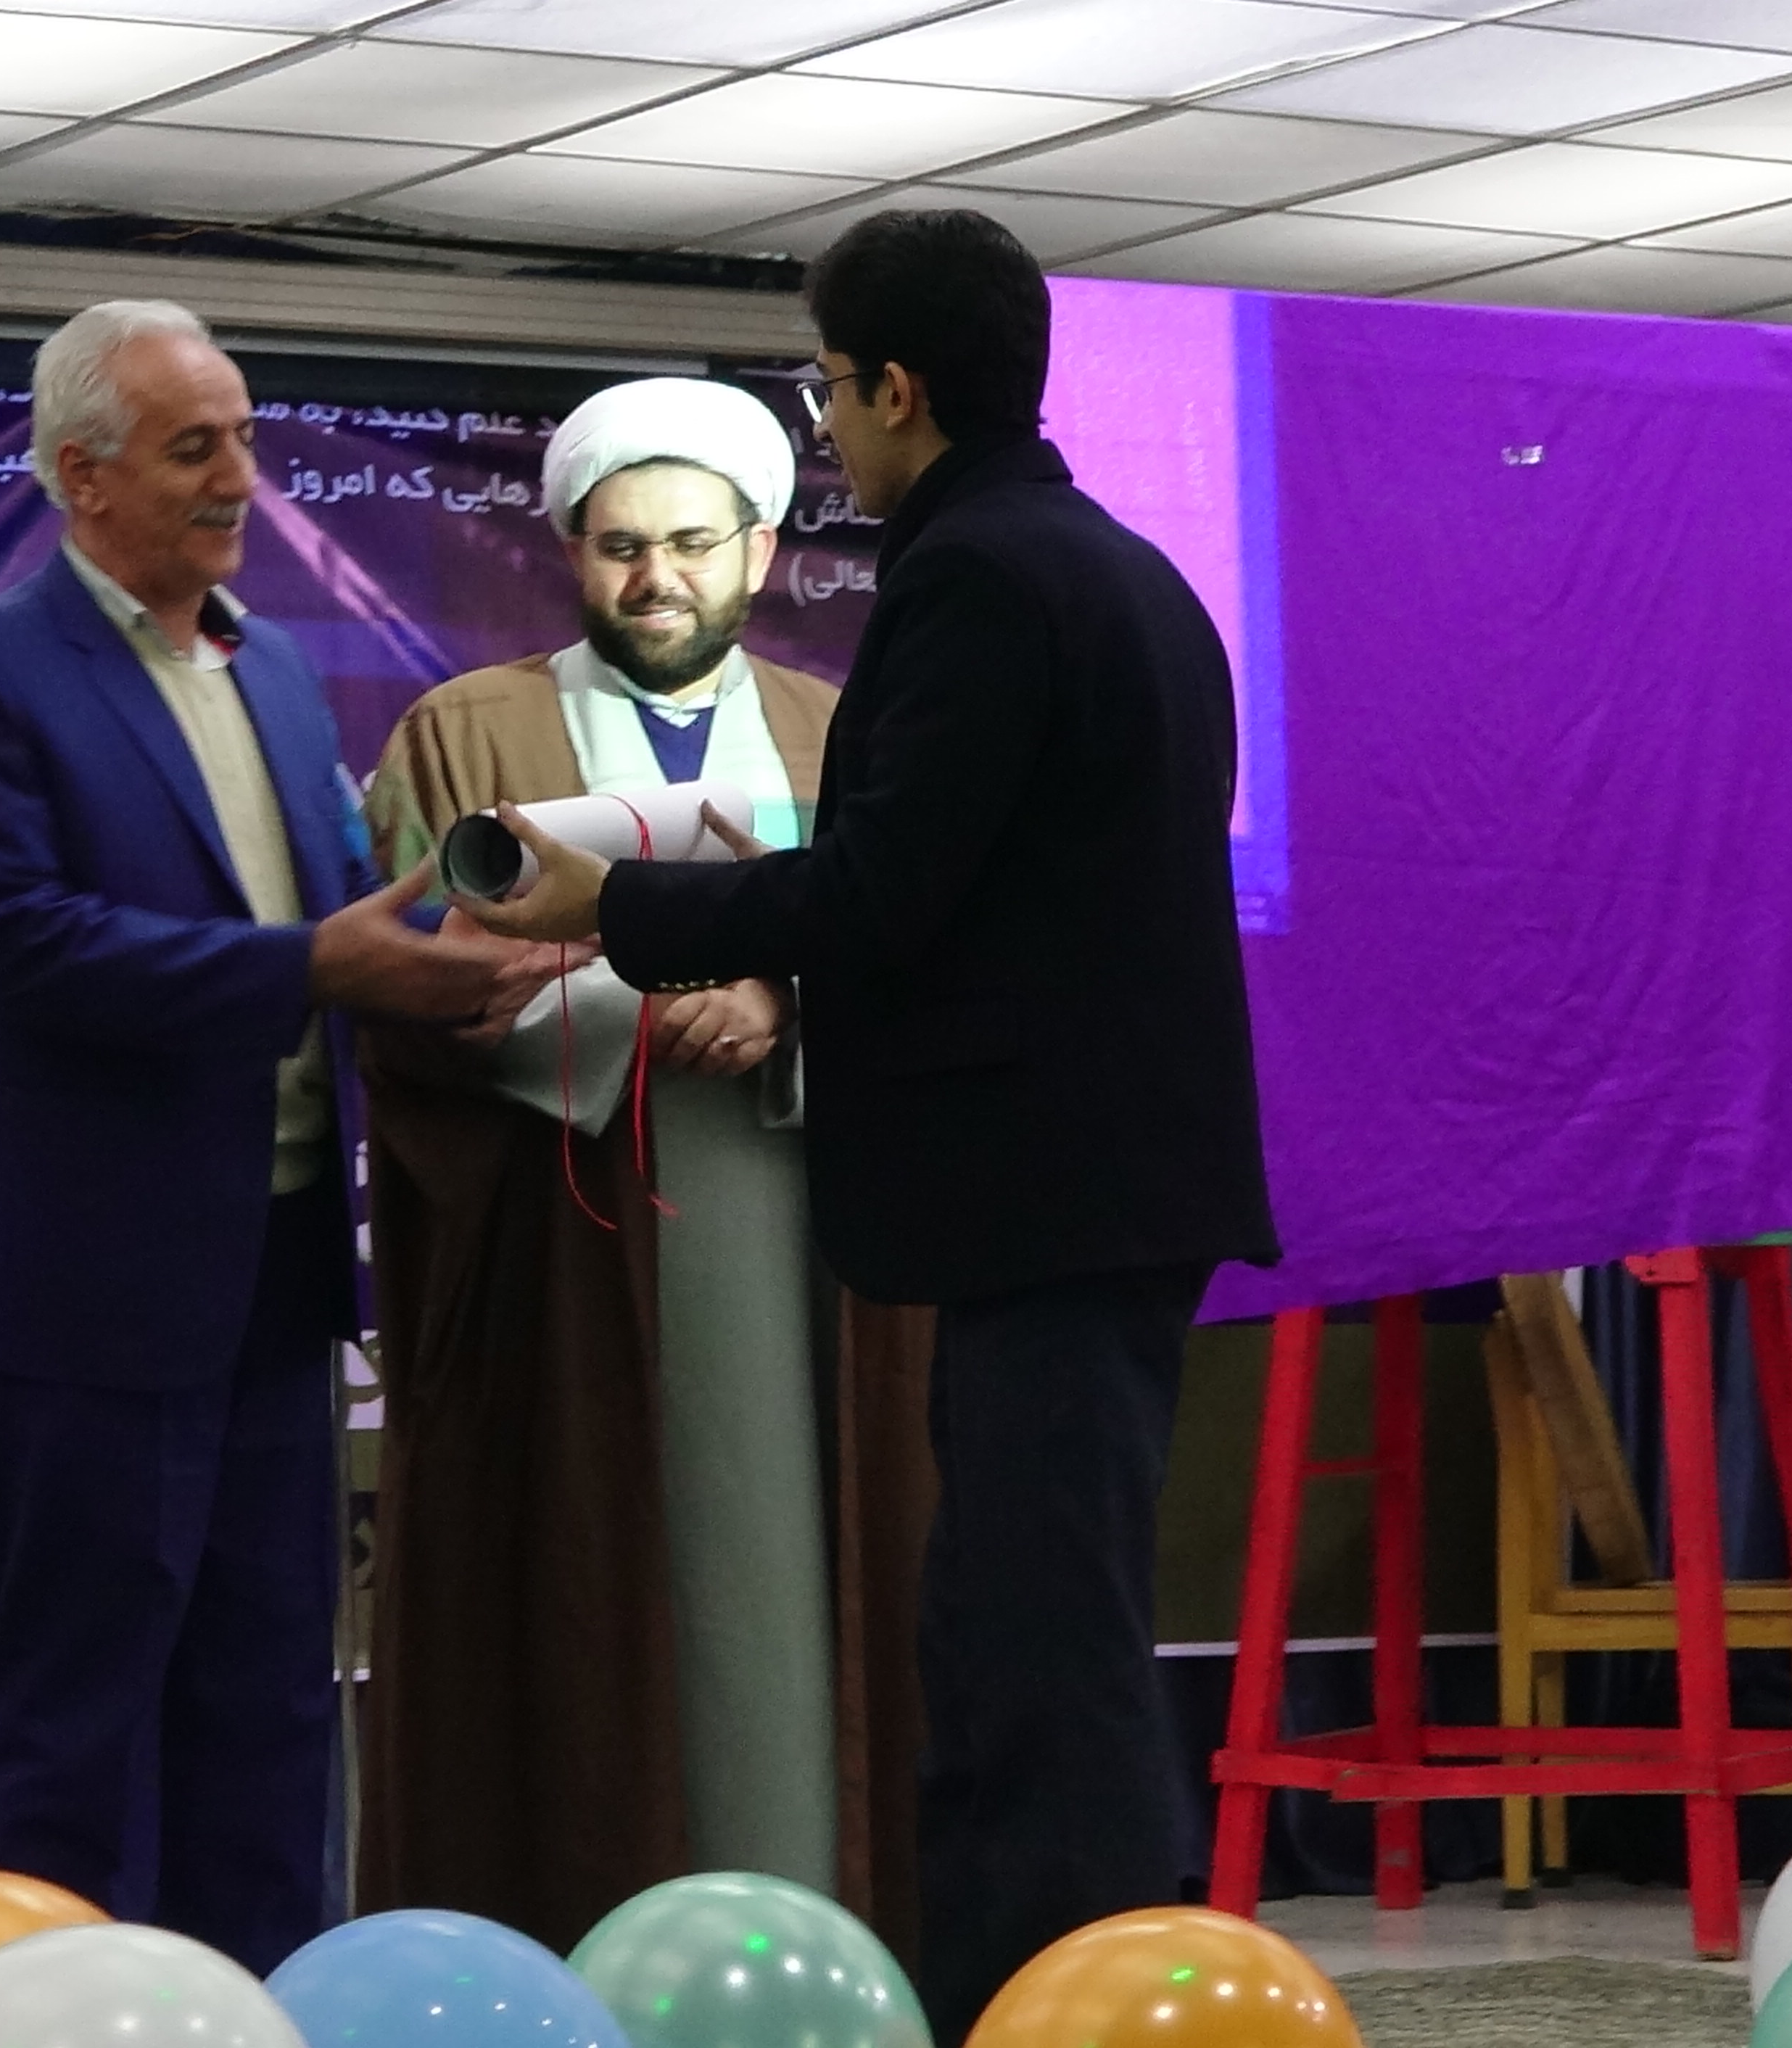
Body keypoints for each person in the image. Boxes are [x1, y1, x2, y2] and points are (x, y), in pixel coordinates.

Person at [460, 212, 1280, 2035]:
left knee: (1035, 1656)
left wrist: (614, 900)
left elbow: (889, 888)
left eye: (828, 385)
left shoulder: (976, 573)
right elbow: (1005, 893)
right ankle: (1027, 1991)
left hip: (1051, 1197)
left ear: (898, 387)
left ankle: (1067, 2003)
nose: (825, 424)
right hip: (1089, 1191)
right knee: (1012, 1632)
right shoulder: (1113, 561)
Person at [0, 298, 539, 1975]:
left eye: (245, 439)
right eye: (195, 447)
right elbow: (20, 945)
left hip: (273, 1268)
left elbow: (341, 915)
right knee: (77, 1713)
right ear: (81, 476)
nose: (240, 478)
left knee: (266, 1705)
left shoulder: (269, 671)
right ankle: (43, 2011)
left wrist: (462, 969)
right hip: (85, 1287)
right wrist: (314, 965)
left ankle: (255, 2006)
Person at [353, 377, 936, 1952]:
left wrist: (782, 1003)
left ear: (761, 552)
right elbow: (404, 987)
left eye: (691, 543)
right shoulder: (465, 730)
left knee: (797, 1602)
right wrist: (646, 1000)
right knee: (585, 1618)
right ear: (570, 551)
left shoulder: (841, 731)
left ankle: (817, 1943)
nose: (655, 578)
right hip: (567, 1262)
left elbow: (921, 963)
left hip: (805, 1243)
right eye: (620, 547)